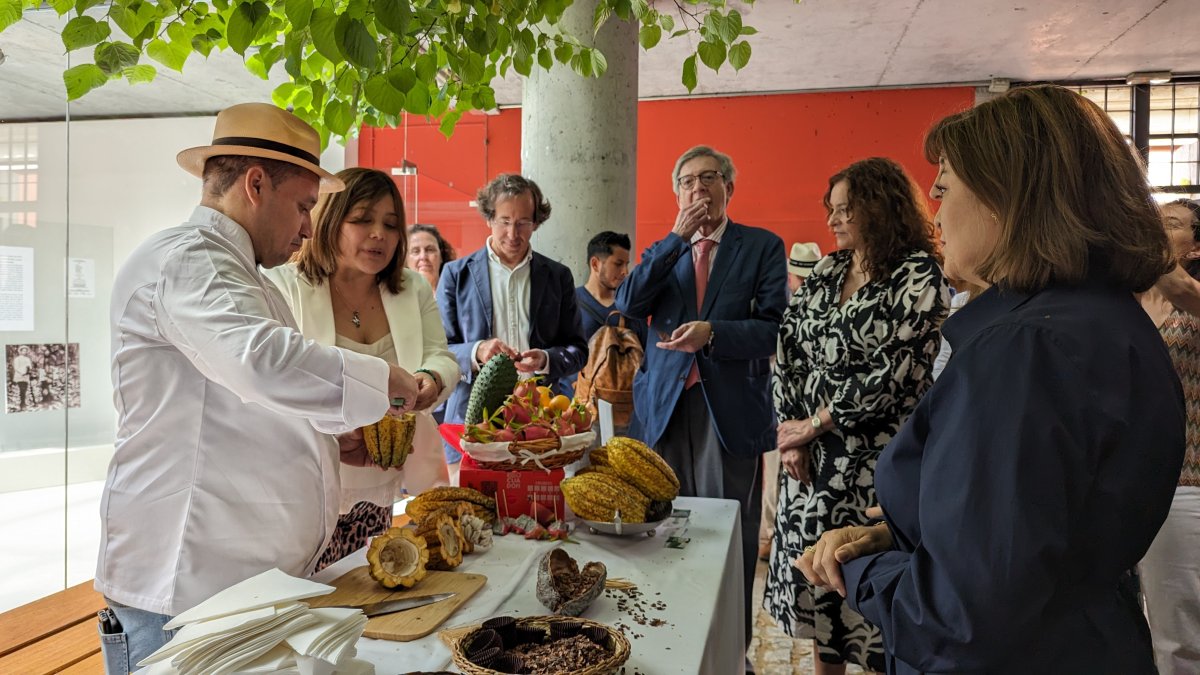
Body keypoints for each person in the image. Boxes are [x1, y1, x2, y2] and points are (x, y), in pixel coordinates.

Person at [798, 85, 1186, 675]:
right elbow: (1037, 538)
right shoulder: (1100, 318)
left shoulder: (1025, 351)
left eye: (946, 185)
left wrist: (854, 570)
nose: (933, 205)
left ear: (1011, 198)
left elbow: (958, 619)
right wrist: (914, 542)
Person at [96, 103, 419, 669]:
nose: (306, 228)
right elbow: (260, 363)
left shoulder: (242, 275)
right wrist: (382, 380)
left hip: (233, 593)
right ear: (254, 184)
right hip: (185, 596)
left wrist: (321, 437)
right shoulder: (191, 259)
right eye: (302, 207)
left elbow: (240, 398)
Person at [764, 158, 947, 673]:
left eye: (846, 210)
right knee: (821, 603)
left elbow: (900, 372)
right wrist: (794, 434)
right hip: (812, 470)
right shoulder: (827, 269)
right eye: (832, 210)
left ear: (880, 209)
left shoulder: (918, 276)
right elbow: (789, 349)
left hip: (876, 466)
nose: (833, 221)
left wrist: (818, 422)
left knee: (869, 596)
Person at [615, 145, 788, 659]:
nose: (698, 188)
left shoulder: (760, 246)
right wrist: (675, 238)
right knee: (661, 531)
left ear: (728, 188)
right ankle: (671, 646)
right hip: (664, 408)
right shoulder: (661, 251)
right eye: (687, 181)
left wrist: (713, 333)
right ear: (677, 193)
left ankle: (731, 653)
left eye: (709, 178)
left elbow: (775, 329)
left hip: (728, 411)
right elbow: (628, 305)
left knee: (724, 534)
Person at [263, 168, 459, 570]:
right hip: (311, 483)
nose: (379, 235)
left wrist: (432, 378)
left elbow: (441, 355)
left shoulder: (411, 287)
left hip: (385, 478)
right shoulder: (285, 286)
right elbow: (273, 385)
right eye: (362, 220)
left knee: (374, 590)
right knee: (316, 600)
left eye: (390, 224)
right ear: (331, 219)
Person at [437, 174, 588, 473]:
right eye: (504, 220)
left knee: (536, 513)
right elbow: (439, 351)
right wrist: (477, 351)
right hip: (471, 421)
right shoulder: (456, 275)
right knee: (473, 513)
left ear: (536, 222)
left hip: (540, 424)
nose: (512, 233)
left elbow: (578, 350)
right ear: (489, 218)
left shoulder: (558, 276)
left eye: (523, 223)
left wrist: (546, 359)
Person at [1137, 198, 1200, 674]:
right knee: (1156, 631)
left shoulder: (1193, 298)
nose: (1158, 227)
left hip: (1187, 485)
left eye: (1171, 224)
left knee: (1183, 637)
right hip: (1135, 484)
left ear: (1195, 244)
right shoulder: (1125, 298)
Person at [760, 241, 822, 561]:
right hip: (806, 409)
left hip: (784, 404)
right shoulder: (824, 306)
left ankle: (770, 536)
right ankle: (773, 535)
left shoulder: (786, 309)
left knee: (776, 469)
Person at [407, 223, 456, 293]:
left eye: (430, 250)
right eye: (416, 251)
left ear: (441, 255)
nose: (423, 256)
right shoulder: (395, 299)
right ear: (405, 259)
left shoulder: (457, 296)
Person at [10, 345, 32, 410]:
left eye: (25, 351)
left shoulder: (27, 359)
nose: (24, 352)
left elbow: (30, 366)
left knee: (24, 389)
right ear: (20, 351)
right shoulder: (17, 359)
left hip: (25, 376)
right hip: (19, 376)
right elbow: (16, 367)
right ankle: (22, 404)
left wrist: (27, 370)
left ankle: (23, 402)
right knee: (21, 389)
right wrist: (22, 372)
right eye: (23, 351)